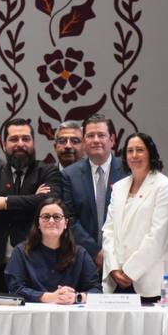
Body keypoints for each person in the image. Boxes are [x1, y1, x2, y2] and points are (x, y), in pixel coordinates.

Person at [0, 117, 62, 293]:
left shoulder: (48, 171)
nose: (20, 144)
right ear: (3, 144)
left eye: (25, 139)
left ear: (33, 143)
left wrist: (5, 202)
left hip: (36, 263)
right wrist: (34, 199)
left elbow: (50, 202)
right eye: (14, 139)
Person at [101, 132, 168, 301]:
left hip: (150, 280)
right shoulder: (119, 187)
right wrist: (113, 267)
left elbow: (158, 236)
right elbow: (108, 230)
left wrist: (129, 271)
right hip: (117, 279)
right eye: (130, 151)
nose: (134, 155)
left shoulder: (164, 186)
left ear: (150, 153)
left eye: (140, 150)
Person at [62, 114, 126, 270]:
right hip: (82, 260)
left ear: (112, 140)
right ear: (84, 141)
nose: (96, 140)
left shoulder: (128, 171)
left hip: (124, 259)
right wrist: (95, 252)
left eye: (101, 135)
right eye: (90, 136)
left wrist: (111, 254)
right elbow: (69, 218)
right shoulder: (69, 175)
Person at [5, 197, 100, 303]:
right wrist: (50, 297)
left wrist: (75, 297)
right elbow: (15, 288)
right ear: (38, 223)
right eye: (46, 217)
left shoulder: (81, 254)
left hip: (70, 311)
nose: (51, 221)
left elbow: (96, 290)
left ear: (66, 223)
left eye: (57, 217)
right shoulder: (21, 252)